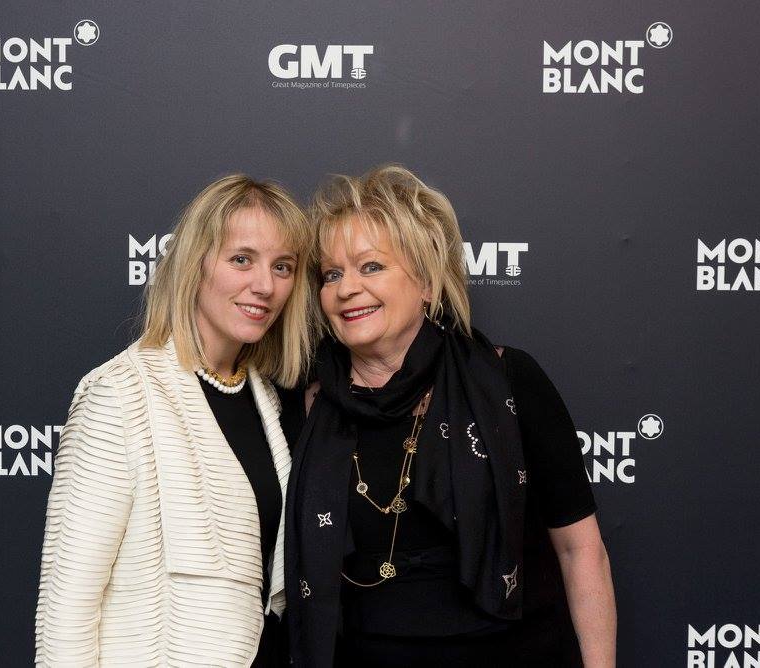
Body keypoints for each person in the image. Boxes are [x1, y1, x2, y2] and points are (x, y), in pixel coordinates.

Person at [285, 165, 617, 667]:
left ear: (426, 282)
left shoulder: (507, 381)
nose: (346, 288)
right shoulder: (306, 402)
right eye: (332, 274)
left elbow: (580, 550)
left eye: (371, 266)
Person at [35, 174, 315, 666]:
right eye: (241, 259)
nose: (265, 286)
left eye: (283, 267)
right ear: (195, 263)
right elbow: (67, 605)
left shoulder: (269, 400)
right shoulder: (120, 394)